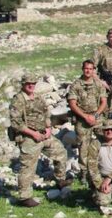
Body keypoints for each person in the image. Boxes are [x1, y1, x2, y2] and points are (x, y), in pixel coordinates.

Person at [9, 73, 71, 207]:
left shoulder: (38, 97)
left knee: (60, 152)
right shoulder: (18, 100)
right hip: (28, 138)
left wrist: (48, 128)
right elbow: (16, 123)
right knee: (28, 167)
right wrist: (33, 133)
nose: (31, 86)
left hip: (44, 134)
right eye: (28, 84)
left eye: (33, 83)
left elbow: (46, 112)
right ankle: (25, 197)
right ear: (23, 84)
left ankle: (61, 180)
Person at [67, 60, 107, 175]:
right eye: (86, 68)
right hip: (82, 118)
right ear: (82, 69)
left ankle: (104, 167)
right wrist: (85, 117)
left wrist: (95, 115)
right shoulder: (76, 85)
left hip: (97, 116)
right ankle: (84, 172)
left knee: (105, 139)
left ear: (93, 70)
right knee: (83, 147)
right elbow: (72, 104)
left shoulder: (98, 84)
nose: (88, 71)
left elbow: (103, 102)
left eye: (90, 68)